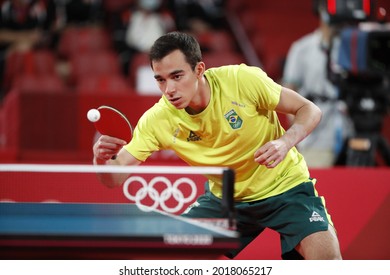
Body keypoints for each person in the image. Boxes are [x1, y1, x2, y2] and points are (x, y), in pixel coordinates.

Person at [93, 31, 342, 260]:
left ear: (199, 69)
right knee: (171, 260)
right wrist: (102, 160)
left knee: (327, 262)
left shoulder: (241, 80)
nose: (169, 89)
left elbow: (309, 109)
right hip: (227, 199)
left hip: (286, 187)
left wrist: (285, 142)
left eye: (177, 76)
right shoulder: (159, 119)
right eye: (160, 80)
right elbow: (113, 178)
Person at [282, 1, 354, 168]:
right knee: (320, 185)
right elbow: (289, 92)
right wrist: (299, 133)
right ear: (321, 9)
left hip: (350, 129)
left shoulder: (351, 48)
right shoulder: (302, 48)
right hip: (317, 137)